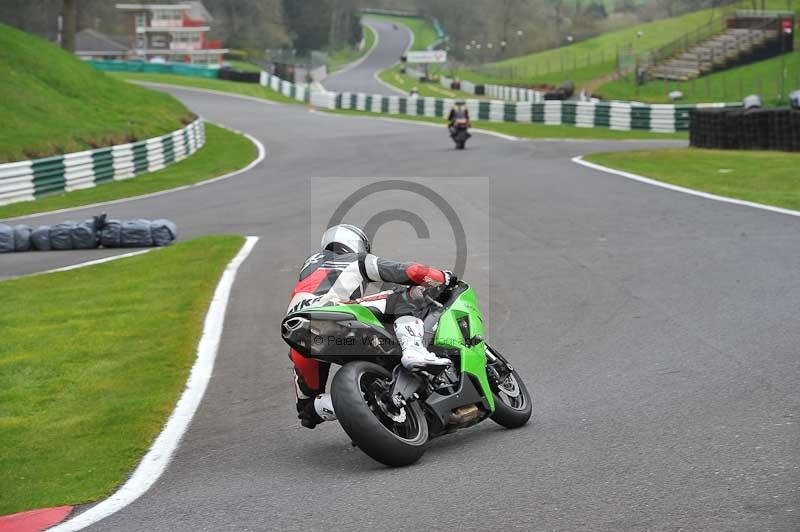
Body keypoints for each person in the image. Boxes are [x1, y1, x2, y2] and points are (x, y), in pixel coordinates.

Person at [286, 224, 456, 429]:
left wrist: (349, 404)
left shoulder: (309, 269)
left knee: (308, 409)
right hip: (335, 314)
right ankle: (414, 350)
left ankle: (362, 403)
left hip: (299, 330)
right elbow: (411, 271)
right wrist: (442, 278)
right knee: (408, 296)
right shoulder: (356, 259)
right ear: (356, 243)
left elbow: (306, 417)